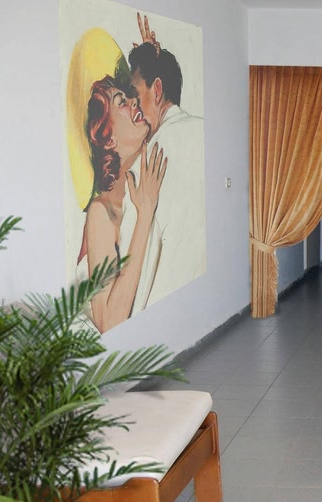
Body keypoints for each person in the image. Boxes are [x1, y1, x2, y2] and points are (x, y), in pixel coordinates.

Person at [124, 14, 205, 314]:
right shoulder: (204, 130)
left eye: (135, 95)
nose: (133, 107)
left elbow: (140, 271)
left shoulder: (149, 160)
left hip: (163, 307)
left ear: (157, 90)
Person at [78, 76, 167, 333]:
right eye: (122, 102)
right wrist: (145, 213)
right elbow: (109, 323)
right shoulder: (101, 211)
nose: (133, 101)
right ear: (109, 140)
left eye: (129, 97)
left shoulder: (137, 187)